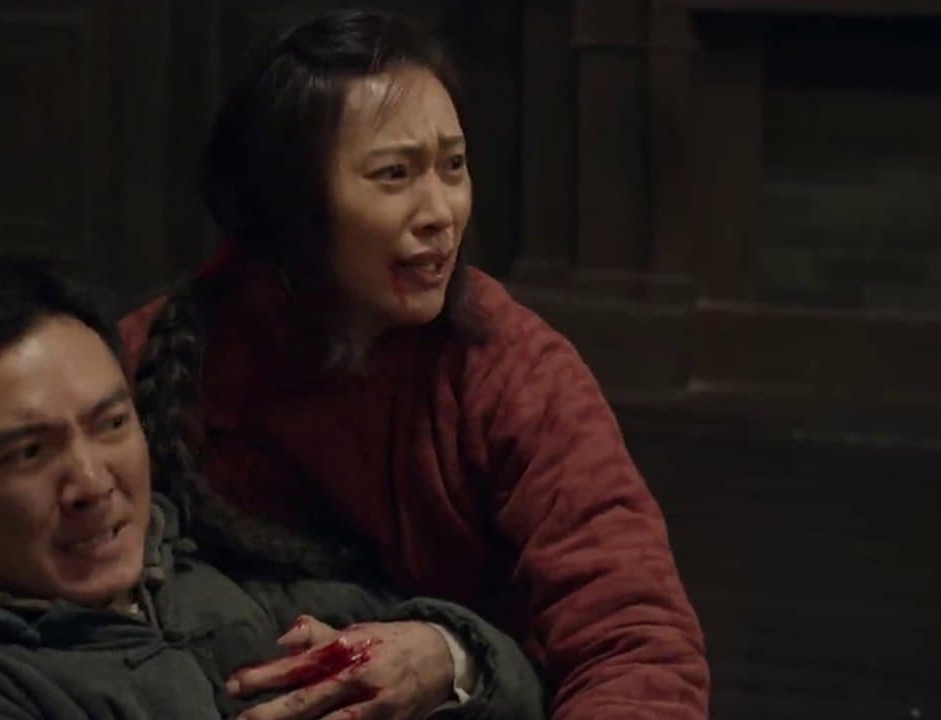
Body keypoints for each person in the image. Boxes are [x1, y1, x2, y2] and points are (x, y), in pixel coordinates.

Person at [120, 10, 710, 719]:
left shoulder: (511, 371)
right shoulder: (157, 355)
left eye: (453, 166)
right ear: (289, 204)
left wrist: (457, 657)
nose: (441, 212)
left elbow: (636, 641)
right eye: (394, 174)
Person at [0, 256, 545, 720]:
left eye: (111, 424)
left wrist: (445, 658)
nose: (91, 483)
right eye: (30, 453)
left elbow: (515, 678)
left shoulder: (205, 571)